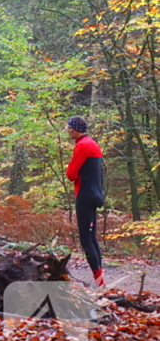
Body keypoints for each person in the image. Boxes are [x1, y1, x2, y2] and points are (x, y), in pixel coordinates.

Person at [66, 116, 105, 286]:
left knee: (86, 239)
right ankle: (100, 279)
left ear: (75, 129)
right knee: (91, 237)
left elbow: (71, 174)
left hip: (84, 195)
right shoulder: (93, 143)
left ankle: (100, 282)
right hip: (94, 194)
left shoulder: (82, 145)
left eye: (69, 128)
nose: (68, 131)